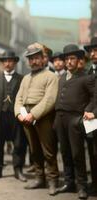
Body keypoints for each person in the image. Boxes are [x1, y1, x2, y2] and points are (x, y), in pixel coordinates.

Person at [14, 44, 59, 196]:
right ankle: (40, 179)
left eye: (36, 58)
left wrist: (33, 114)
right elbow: (19, 98)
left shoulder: (51, 77)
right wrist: (19, 114)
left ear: (43, 59)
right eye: (31, 59)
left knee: (48, 151)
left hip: (43, 117)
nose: (33, 61)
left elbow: (50, 100)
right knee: (34, 150)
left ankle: (53, 181)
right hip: (25, 117)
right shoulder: (26, 78)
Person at [54, 44, 95, 199]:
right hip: (60, 120)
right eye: (67, 59)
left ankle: (82, 186)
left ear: (79, 60)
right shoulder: (62, 78)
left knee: (77, 153)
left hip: (75, 120)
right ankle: (69, 182)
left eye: (72, 59)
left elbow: (94, 97)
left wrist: (90, 110)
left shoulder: (86, 76)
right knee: (65, 152)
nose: (69, 62)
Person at [0, 50, 27, 182]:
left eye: (10, 61)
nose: (8, 64)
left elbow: (26, 99)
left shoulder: (22, 79)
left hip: (16, 117)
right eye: (5, 61)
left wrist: (24, 115)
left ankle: (18, 169)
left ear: (14, 62)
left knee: (19, 144)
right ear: (2, 64)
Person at [83, 37, 97, 195]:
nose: (93, 54)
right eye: (91, 51)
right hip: (91, 120)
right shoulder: (88, 72)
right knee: (93, 153)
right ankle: (94, 183)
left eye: (96, 51)